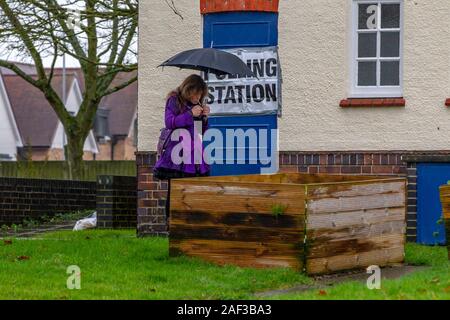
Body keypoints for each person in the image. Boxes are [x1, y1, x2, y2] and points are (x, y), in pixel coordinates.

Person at [153, 74, 211, 223]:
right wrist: (190, 114)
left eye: (200, 94)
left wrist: (204, 118)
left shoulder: (197, 105)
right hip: (177, 152)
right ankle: (171, 222)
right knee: (175, 189)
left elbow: (200, 132)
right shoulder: (174, 99)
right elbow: (170, 123)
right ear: (188, 89)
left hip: (195, 153)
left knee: (194, 188)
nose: (198, 96)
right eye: (196, 93)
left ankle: (191, 222)